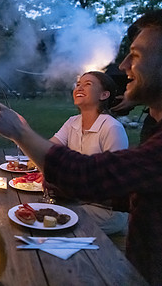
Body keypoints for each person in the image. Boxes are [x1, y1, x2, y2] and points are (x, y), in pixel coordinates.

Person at [0, 9, 162, 285]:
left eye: (137, 55)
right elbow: (135, 189)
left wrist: (21, 132)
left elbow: (92, 175)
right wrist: (72, 191)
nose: (123, 66)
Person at [50, 71, 129, 235]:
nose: (79, 87)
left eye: (88, 84)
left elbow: (116, 186)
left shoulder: (111, 128)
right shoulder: (73, 122)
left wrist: (70, 189)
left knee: (53, 221)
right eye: (78, 84)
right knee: (42, 211)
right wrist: (21, 132)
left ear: (104, 94)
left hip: (107, 211)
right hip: (77, 202)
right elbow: (49, 149)